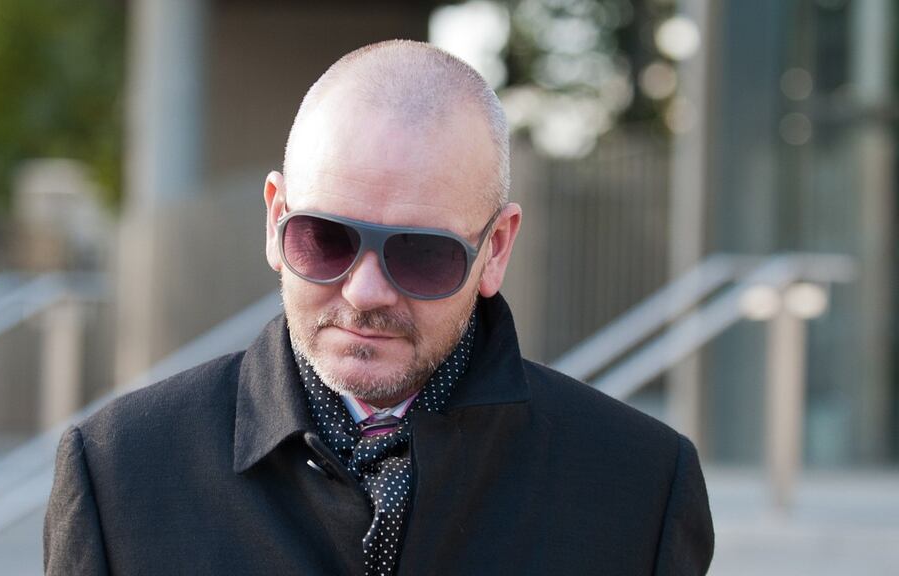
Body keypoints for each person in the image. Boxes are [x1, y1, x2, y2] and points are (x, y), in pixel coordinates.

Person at [44, 40, 714, 575]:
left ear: (496, 249)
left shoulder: (639, 489)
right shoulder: (119, 471)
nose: (365, 293)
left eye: (421, 254)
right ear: (276, 221)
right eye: (326, 238)